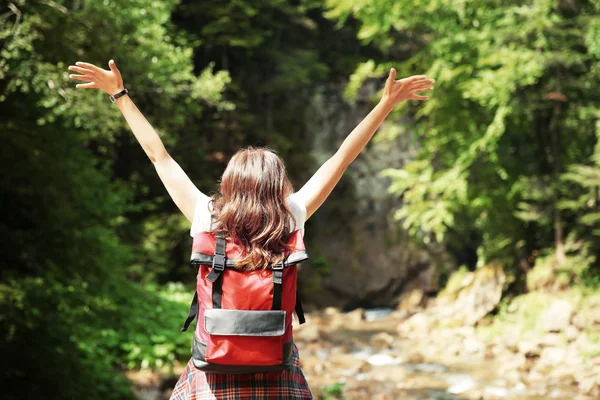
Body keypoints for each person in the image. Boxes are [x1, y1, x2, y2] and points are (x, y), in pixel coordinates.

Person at [68, 59, 434, 399]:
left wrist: (119, 95)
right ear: (278, 185)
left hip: (211, 372)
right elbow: (341, 158)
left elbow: (158, 156)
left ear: (230, 182)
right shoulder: (290, 216)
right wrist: (385, 104)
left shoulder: (206, 215)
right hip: (277, 373)